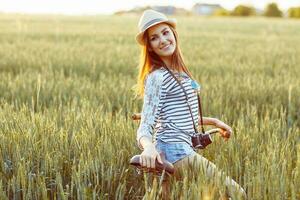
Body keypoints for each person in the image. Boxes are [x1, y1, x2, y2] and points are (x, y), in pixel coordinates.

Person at [133, 9, 246, 199]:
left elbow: (180, 113)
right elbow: (145, 125)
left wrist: (214, 122)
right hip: (174, 150)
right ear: (150, 46)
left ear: (173, 33)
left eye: (165, 32)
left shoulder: (180, 73)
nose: (162, 39)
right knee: (235, 194)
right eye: (154, 37)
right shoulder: (157, 77)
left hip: (178, 150)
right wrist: (148, 147)